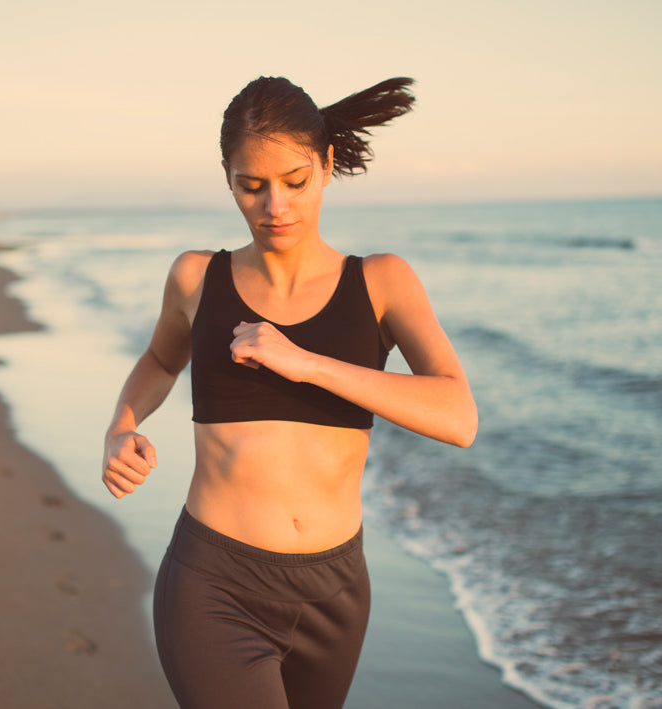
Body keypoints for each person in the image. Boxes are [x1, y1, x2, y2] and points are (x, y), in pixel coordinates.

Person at [100, 76, 477, 709]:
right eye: (252, 185)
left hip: (336, 593)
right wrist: (121, 425)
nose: (274, 205)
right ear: (228, 179)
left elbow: (458, 415)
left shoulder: (383, 281)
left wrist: (306, 363)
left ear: (327, 165)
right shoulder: (198, 277)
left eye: (294, 181)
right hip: (214, 582)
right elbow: (161, 361)